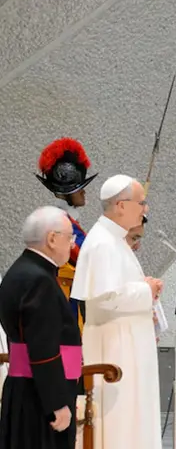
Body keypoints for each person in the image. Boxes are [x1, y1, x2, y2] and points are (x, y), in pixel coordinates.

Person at [69, 175, 164, 449]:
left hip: (128, 345)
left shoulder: (116, 241)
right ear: (121, 206)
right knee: (120, 422)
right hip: (114, 348)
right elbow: (104, 299)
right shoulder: (102, 244)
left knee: (133, 421)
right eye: (141, 203)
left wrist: (144, 288)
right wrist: (146, 289)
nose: (145, 209)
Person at [0, 207, 82, 449]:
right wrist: (58, 404)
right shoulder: (39, 280)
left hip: (25, 390)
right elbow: (42, 349)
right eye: (69, 237)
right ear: (51, 239)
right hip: (40, 397)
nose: (71, 244)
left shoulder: (20, 271)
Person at [36, 137, 97, 334]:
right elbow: (87, 257)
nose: (84, 192)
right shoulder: (61, 225)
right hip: (63, 309)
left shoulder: (65, 221)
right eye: (80, 188)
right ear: (66, 192)